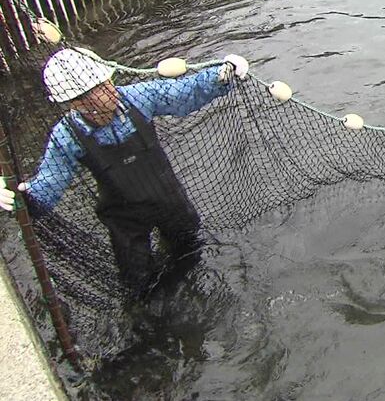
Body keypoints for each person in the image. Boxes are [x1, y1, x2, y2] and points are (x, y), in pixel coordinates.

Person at [0, 47, 249, 298]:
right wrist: (19, 198)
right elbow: (49, 184)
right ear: (74, 103)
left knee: (190, 251)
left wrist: (220, 76)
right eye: (91, 94)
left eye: (103, 85)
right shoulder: (67, 136)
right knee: (138, 284)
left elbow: (185, 93)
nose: (104, 96)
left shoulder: (137, 97)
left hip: (169, 200)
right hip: (124, 219)